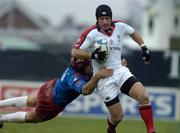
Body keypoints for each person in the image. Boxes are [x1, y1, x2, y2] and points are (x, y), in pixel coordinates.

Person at [71, 4, 156, 133]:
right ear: (97, 20)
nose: (105, 21)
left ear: (111, 18)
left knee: (143, 96)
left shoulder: (120, 26)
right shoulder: (91, 34)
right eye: (101, 19)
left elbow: (134, 33)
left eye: (107, 18)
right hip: (103, 77)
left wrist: (143, 47)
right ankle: (111, 128)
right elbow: (75, 52)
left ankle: (151, 131)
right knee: (118, 116)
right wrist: (92, 55)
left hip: (120, 71)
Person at [0, 62, 113, 128]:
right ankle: (2, 118)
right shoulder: (76, 78)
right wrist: (97, 77)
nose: (91, 68)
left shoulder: (75, 67)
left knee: (32, 101)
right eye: (89, 66)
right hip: (52, 101)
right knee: (33, 117)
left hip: (51, 87)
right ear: (83, 68)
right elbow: (86, 90)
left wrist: (116, 67)